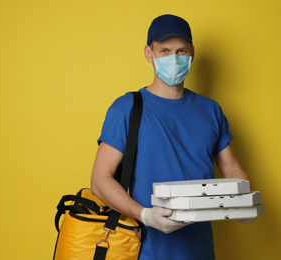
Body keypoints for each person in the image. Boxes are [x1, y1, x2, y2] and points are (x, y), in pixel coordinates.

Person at [91, 14, 254, 260]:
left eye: (181, 51)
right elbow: (100, 181)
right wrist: (145, 214)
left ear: (192, 53)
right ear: (149, 54)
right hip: (145, 251)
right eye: (164, 51)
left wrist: (244, 200)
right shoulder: (126, 108)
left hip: (200, 251)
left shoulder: (211, 110)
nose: (174, 59)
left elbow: (233, 170)